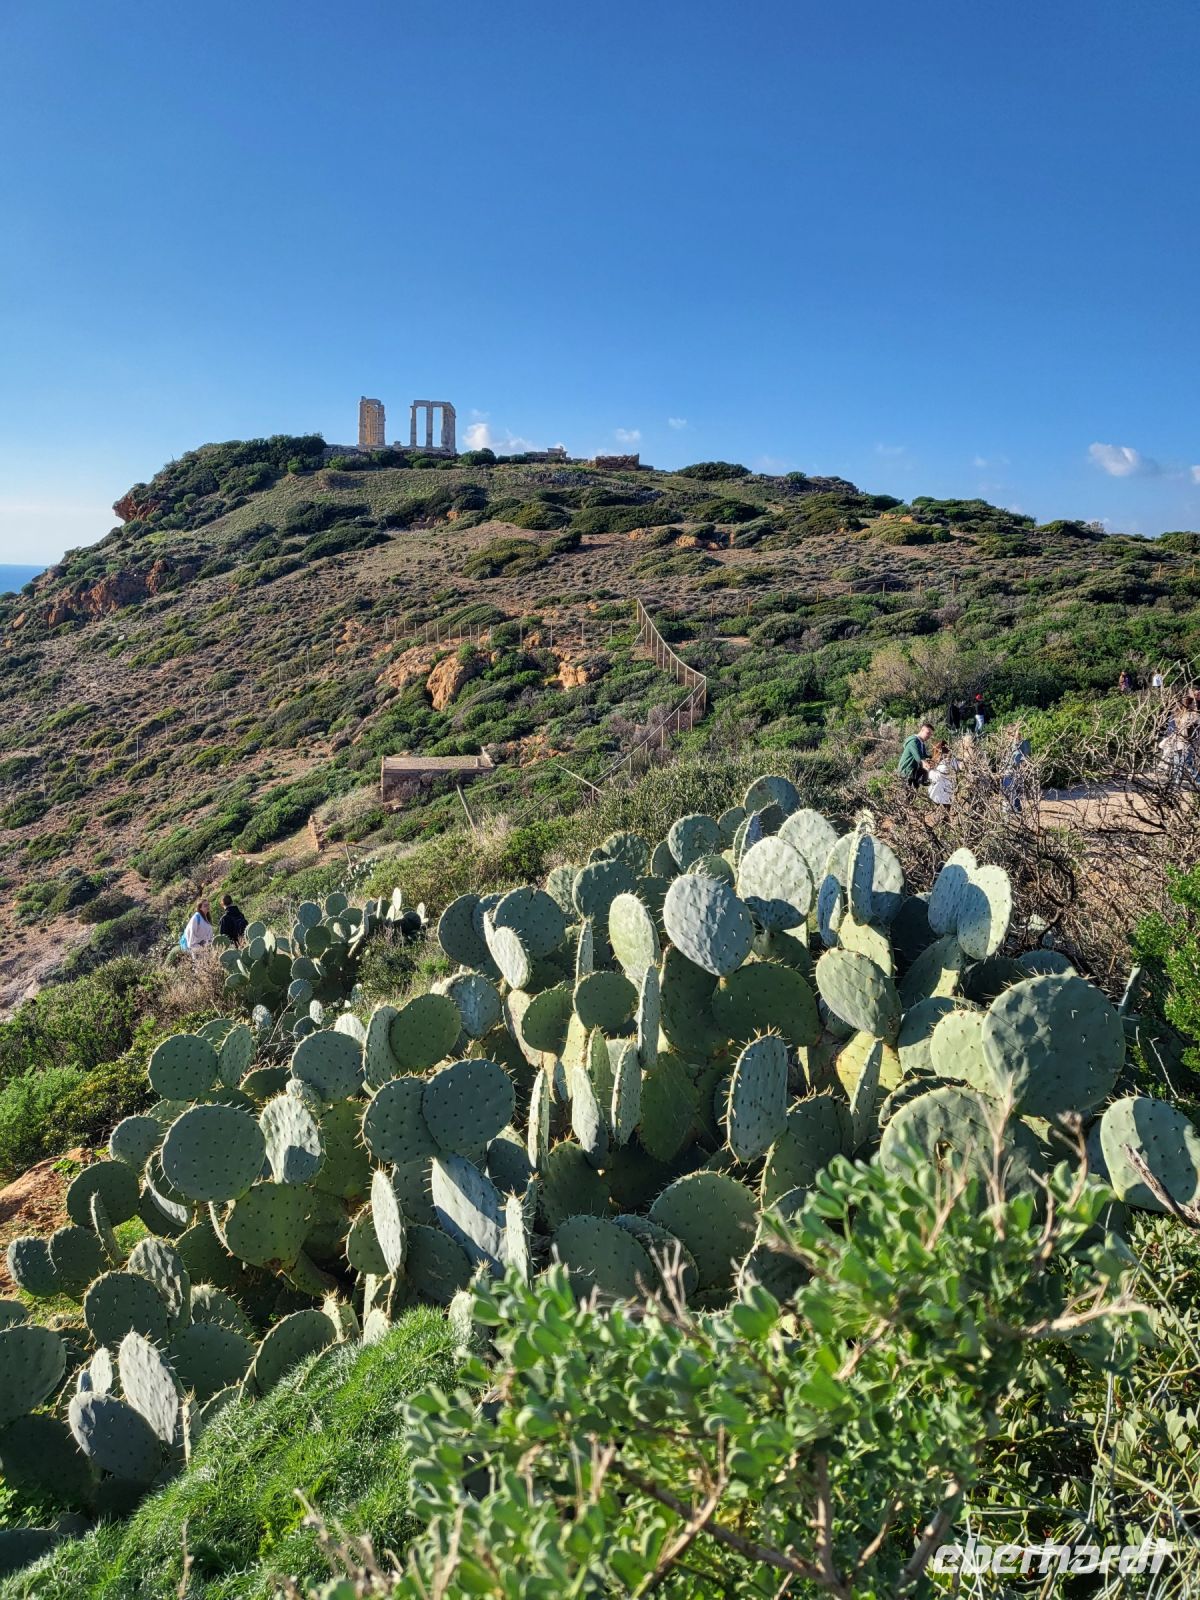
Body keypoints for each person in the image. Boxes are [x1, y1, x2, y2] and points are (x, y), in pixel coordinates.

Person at [1001, 724, 1032, 814]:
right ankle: (1018, 810)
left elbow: (1015, 759)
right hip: (1021, 772)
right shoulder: (1026, 743)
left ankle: (1007, 813)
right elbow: (1028, 755)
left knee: (1008, 792)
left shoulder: (1014, 745)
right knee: (1016, 793)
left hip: (1011, 771)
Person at [928, 740, 959, 816]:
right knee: (946, 813)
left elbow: (936, 777)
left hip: (939, 793)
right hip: (948, 791)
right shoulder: (953, 760)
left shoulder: (945, 763)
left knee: (942, 814)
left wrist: (929, 770)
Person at [898, 721, 935, 786]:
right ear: (922, 730)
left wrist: (935, 757)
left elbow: (925, 756)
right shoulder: (913, 741)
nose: (929, 736)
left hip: (913, 772)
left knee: (913, 793)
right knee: (907, 794)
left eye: (930, 734)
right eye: (928, 733)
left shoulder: (921, 743)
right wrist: (928, 767)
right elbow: (919, 759)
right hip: (906, 772)